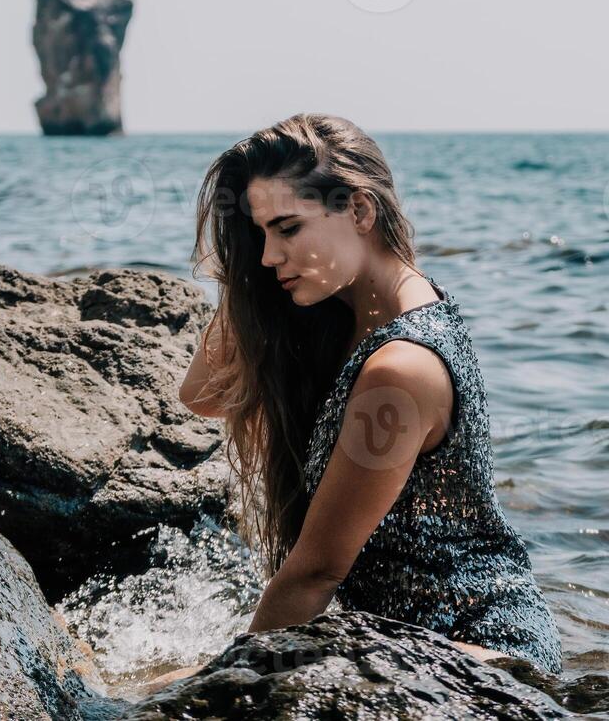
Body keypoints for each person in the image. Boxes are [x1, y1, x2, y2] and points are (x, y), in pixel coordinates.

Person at [173, 113, 563, 676]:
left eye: (287, 228)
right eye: (260, 235)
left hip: (478, 653)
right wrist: (249, 274)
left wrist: (226, 681)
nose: (268, 256)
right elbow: (204, 394)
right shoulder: (347, 315)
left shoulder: (401, 367)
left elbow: (316, 573)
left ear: (359, 210)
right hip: (400, 644)